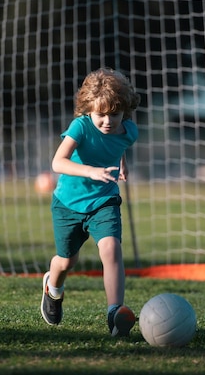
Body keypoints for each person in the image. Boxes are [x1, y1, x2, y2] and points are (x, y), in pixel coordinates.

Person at [40, 67, 141, 337]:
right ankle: (53, 288)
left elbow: (118, 146)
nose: (108, 121)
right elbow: (57, 162)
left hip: (104, 200)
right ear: (88, 110)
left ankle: (115, 313)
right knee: (66, 261)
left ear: (125, 112)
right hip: (68, 203)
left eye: (115, 115)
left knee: (111, 249)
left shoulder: (129, 131)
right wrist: (91, 171)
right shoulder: (80, 126)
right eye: (101, 115)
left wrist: (121, 164)